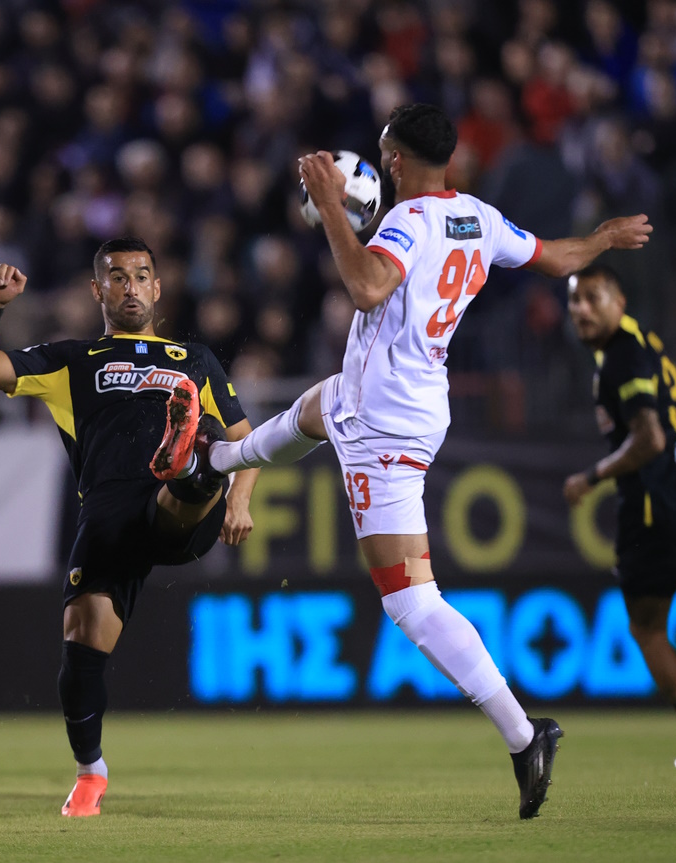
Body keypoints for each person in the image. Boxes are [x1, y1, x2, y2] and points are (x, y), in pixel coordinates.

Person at [197, 104, 652, 819]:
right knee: (315, 410)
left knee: (410, 601)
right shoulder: (479, 216)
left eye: (383, 156)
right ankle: (219, 460)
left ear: (399, 161)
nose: (380, 167)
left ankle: (525, 733)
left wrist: (330, 212)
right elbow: (559, 259)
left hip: (383, 424)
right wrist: (603, 238)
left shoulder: (407, 223)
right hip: (401, 399)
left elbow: (368, 287)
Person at [0, 237, 259, 817]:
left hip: (175, 511)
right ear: (98, 290)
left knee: (203, 461)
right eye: (117, 277)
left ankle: (189, 464)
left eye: (142, 276)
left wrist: (240, 501)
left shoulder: (193, 360)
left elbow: (248, 441)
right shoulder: (72, 360)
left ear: (158, 287)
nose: (131, 287)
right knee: (80, 644)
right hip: (107, 513)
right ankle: (90, 773)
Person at [563, 264, 676, 769]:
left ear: (619, 300)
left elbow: (649, 438)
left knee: (648, 629)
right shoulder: (640, 339)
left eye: (593, 298)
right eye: (574, 300)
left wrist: (591, 476)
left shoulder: (620, 359)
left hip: (657, 508)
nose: (581, 309)